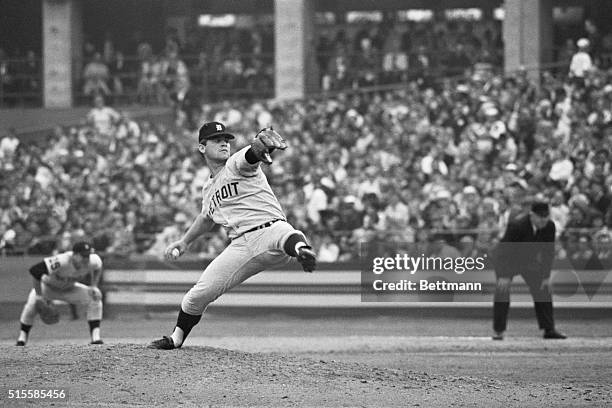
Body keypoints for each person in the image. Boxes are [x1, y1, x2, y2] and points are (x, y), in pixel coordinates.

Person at [150, 122, 316, 350]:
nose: (224, 144)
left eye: (226, 140)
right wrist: (185, 241)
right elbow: (206, 218)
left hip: (269, 229)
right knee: (197, 295)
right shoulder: (208, 189)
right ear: (202, 147)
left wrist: (258, 149)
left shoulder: (235, 163)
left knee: (286, 233)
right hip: (240, 246)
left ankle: (301, 251)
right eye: (217, 140)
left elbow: (251, 155)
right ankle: (176, 338)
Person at [492, 200, 566, 340]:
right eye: (540, 217)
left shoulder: (550, 226)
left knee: (543, 289)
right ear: (532, 215)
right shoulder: (517, 226)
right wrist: (504, 276)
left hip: (529, 261)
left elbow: (548, 252)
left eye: (546, 216)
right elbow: (504, 252)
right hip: (507, 261)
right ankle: (499, 330)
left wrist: (546, 276)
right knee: (502, 291)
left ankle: (549, 329)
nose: (543, 220)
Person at [15, 241, 104, 346]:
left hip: (70, 289)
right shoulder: (62, 260)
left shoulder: (93, 260)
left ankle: (96, 338)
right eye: (83, 255)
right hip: (48, 288)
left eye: (88, 255)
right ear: (74, 255)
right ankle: (22, 338)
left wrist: (94, 286)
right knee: (31, 305)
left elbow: (98, 267)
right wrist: (39, 296)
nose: (87, 258)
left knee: (95, 298)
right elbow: (35, 271)